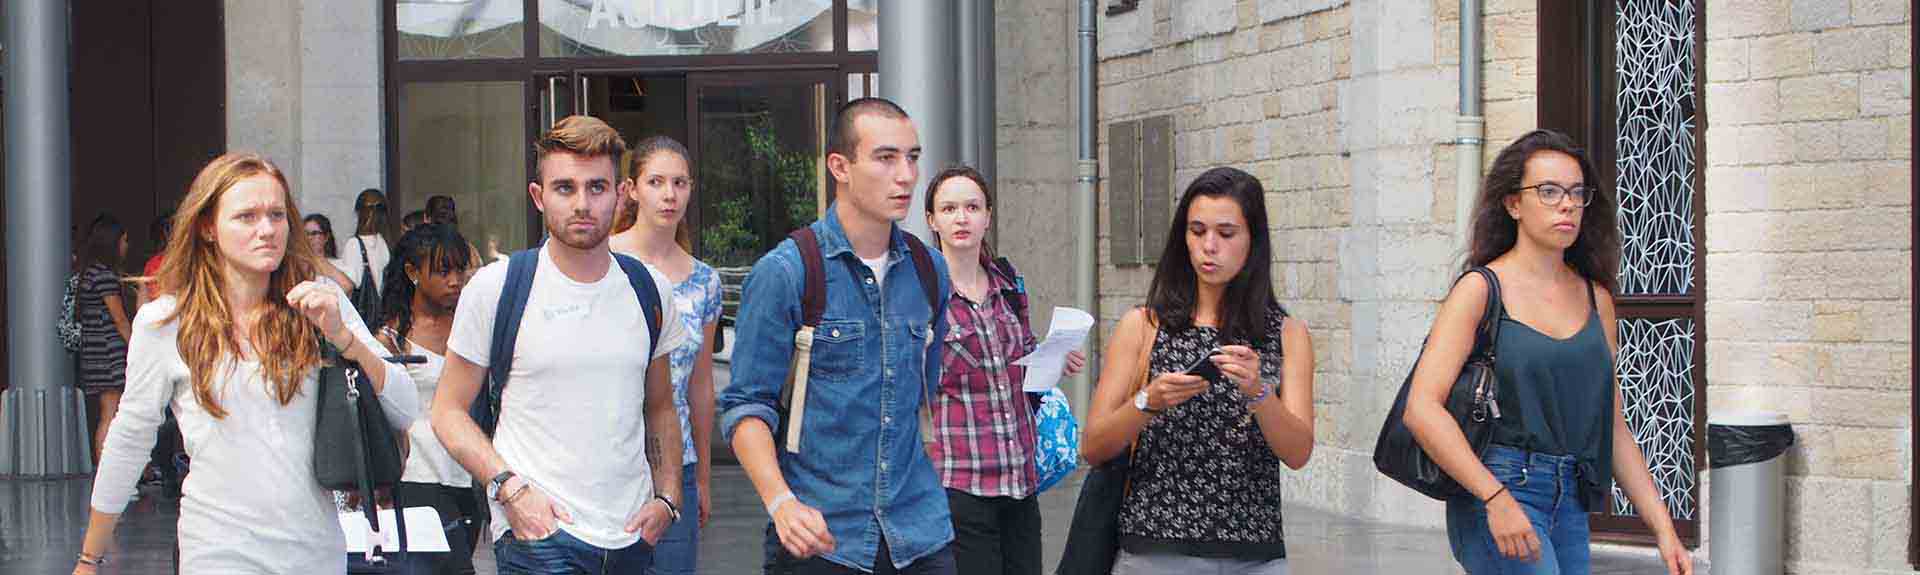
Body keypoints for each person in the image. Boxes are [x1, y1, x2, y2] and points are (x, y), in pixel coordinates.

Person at [73, 152, 418, 574]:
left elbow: (404, 407)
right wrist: (90, 559)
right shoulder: (165, 322)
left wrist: (346, 339)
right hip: (217, 550)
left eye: (276, 215)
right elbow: (128, 440)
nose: (267, 230)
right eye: (246, 217)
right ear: (207, 228)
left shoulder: (321, 300)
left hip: (314, 552)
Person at [1402, 130, 1692, 575]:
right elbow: (1421, 409)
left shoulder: (1597, 300)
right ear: (1513, 204)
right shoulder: (1481, 290)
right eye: (1549, 191)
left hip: (1569, 500)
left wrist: (1662, 528)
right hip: (1497, 488)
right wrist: (1494, 497)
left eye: (1577, 193)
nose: (1568, 204)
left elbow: (1612, 425)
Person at [432, 116, 688, 574]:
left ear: (621, 192)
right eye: (565, 188)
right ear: (538, 196)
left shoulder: (649, 289)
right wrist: (509, 488)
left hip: (630, 537)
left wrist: (669, 497)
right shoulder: (498, 287)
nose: (582, 203)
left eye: (597, 187)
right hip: (540, 540)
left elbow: (662, 406)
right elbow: (448, 412)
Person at [719, 97, 957, 575]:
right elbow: (746, 407)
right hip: (824, 539)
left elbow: (921, 393)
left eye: (912, 157)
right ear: (840, 166)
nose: (907, 175)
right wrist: (781, 503)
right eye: (886, 158)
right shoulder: (786, 272)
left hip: (920, 533)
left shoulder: (929, 270)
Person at [1081, 167, 1315, 575]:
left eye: (1226, 234)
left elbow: (1298, 452)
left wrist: (1259, 393)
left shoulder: (1286, 334)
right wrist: (1147, 402)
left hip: (1253, 555)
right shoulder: (1144, 326)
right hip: (1154, 548)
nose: (1209, 246)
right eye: (1197, 231)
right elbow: (1094, 445)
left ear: (1252, 240)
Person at [921, 166, 1084, 575]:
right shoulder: (922, 294)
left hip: (1019, 477)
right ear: (932, 220)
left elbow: (1022, 368)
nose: (962, 217)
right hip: (959, 480)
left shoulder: (1008, 284)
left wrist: (1053, 358)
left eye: (972, 207)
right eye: (950, 208)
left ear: (988, 216)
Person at [607, 136, 722, 575]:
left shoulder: (705, 281)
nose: (669, 194)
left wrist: (704, 480)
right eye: (656, 181)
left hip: (678, 466)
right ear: (632, 189)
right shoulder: (603, 259)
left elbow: (702, 388)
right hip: (607, 458)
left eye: (679, 183)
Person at [374, 223, 479, 574]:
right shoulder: (390, 338)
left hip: (469, 476)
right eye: (442, 270)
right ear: (412, 272)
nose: (454, 280)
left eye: (459, 269)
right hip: (414, 478)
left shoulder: (472, 326)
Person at [75, 213, 132, 465]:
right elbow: (119, 319)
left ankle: (106, 473)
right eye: (124, 240)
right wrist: (136, 348)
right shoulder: (105, 277)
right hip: (109, 354)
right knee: (111, 414)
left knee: (106, 413)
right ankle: (107, 475)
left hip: (93, 354)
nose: (126, 246)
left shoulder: (88, 273)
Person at [350, 188, 394, 296]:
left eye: (379, 208)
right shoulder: (353, 244)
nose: (373, 213)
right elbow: (351, 284)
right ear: (360, 211)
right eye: (368, 208)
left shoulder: (385, 242)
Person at [303, 213, 362, 291]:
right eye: (306, 234)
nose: (309, 238)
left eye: (314, 233)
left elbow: (348, 288)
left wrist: (323, 264)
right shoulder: (296, 266)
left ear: (326, 237)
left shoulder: (341, 266)